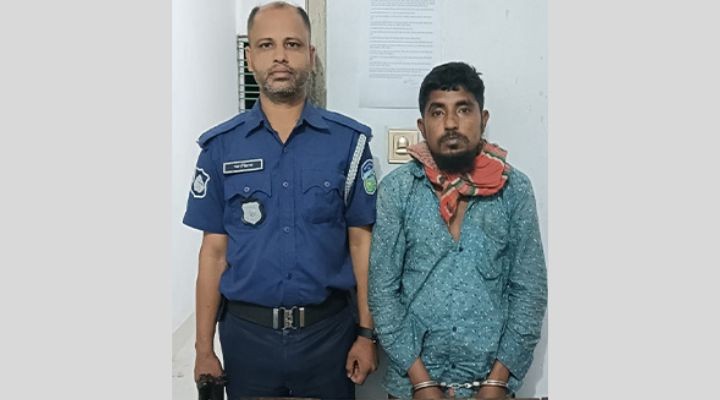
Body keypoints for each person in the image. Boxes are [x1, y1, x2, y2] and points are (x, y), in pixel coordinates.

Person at [182, 2, 378, 398]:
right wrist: (203, 349)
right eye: (266, 45)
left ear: (311, 55)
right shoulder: (220, 148)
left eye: (292, 44)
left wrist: (366, 333)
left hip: (329, 337)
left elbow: (362, 245)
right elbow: (213, 254)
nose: (280, 57)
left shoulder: (348, 143)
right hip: (247, 339)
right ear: (250, 57)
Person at [368, 62, 547, 399]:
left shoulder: (514, 190)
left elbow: (529, 291)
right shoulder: (398, 190)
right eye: (438, 112)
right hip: (410, 387)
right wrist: (420, 381)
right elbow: (382, 292)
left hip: (489, 386)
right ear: (422, 126)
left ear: (484, 119)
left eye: (463, 109)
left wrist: (498, 381)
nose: (450, 123)